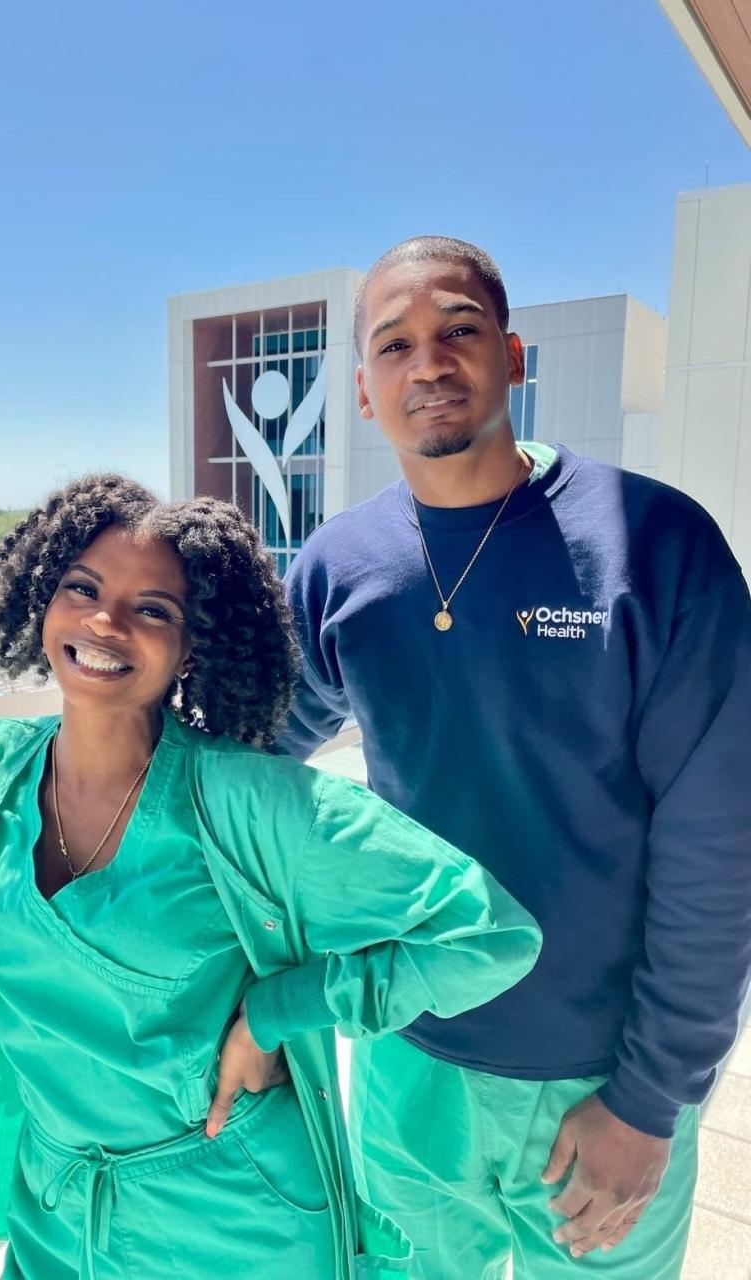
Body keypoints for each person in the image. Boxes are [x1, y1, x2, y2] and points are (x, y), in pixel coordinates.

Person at [0, 475, 541, 1280]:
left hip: (230, 1217)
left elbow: (490, 935)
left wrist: (281, 1011)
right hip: (50, 1211)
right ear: (42, 601)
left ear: (193, 646)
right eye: (82, 588)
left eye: (154, 610)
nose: (105, 622)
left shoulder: (254, 804)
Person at [275, 236, 751, 1279]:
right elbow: (250, 759)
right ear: (363, 389)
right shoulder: (338, 568)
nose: (428, 364)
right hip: (408, 1069)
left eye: (459, 331)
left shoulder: (657, 547)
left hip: (594, 1083)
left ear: (514, 356)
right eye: (394, 345)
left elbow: (719, 850)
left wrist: (649, 1097)